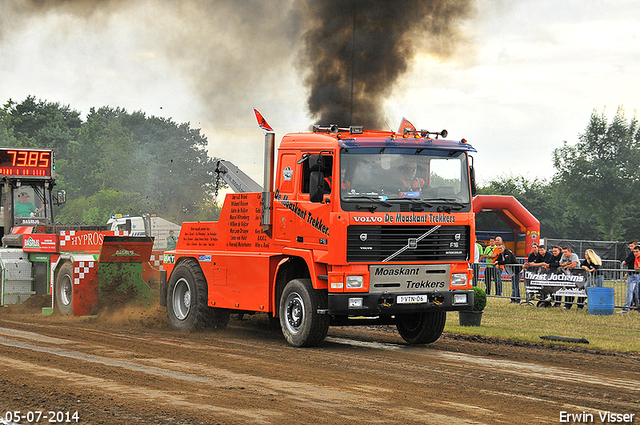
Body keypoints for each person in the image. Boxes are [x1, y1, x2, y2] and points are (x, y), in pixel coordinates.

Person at [619, 245, 640, 313]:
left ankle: (627, 308)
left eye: (637, 251)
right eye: (634, 252)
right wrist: (626, 274)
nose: (635, 253)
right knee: (635, 292)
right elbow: (635, 267)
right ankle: (635, 307)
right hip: (635, 275)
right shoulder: (636, 258)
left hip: (636, 275)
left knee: (632, 292)